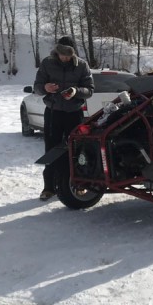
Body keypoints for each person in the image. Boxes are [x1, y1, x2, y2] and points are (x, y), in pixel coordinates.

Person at [33, 36, 94, 200]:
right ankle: (49, 187)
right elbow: (37, 87)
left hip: (74, 113)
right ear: (57, 52)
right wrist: (45, 87)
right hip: (53, 112)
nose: (65, 58)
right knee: (51, 149)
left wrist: (76, 92)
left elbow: (90, 89)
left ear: (73, 54)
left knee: (77, 149)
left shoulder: (81, 65)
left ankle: (79, 184)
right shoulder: (47, 63)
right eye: (62, 54)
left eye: (68, 55)